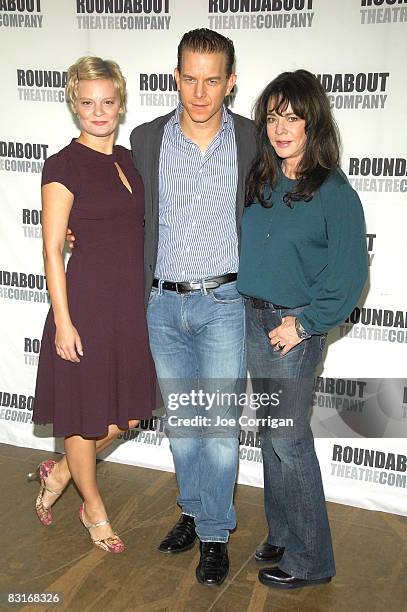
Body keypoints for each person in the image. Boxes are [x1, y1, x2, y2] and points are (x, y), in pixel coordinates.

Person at [130, 29, 257, 586]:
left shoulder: (254, 141)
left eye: (212, 80)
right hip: (163, 304)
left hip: (225, 303)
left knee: (219, 427)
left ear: (230, 82)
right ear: (175, 75)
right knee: (183, 425)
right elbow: (123, 213)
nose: (199, 92)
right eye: (190, 78)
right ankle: (192, 509)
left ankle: (213, 534)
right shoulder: (146, 140)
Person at [237, 69, 368, 589]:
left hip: (293, 329)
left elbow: (350, 275)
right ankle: (284, 534)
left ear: (314, 121)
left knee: (289, 440)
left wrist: (306, 325)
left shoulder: (334, 192)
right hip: (254, 319)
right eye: (273, 116)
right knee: (272, 436)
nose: (281, 127)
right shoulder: (262, 179)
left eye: (293, 116)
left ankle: (313, 560)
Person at [29, 57, 155, 554]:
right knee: (84, 417)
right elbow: (52, 248)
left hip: (129, 309)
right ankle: (94, 509)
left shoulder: (128, 160)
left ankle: (61, 471)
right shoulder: (63, 164)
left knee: (128, 417)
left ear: (120, 103)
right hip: (84, 307)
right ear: (74, 105)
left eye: (107, 101)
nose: (98, 111)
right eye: (87, 103)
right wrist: (63, 322)